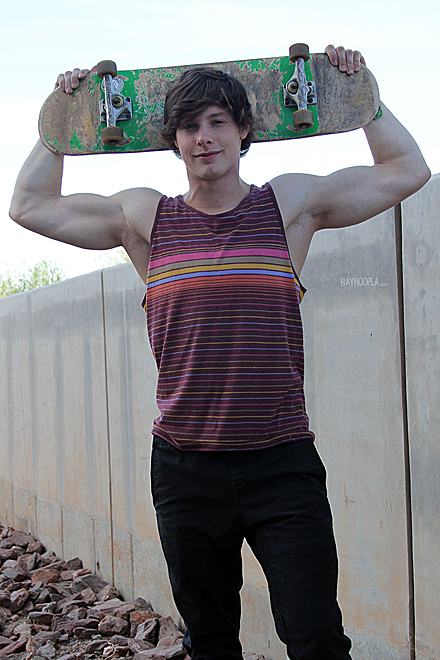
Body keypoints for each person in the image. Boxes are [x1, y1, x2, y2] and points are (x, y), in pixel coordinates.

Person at [9, 45, 430, 660]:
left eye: (217, 122)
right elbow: (28, 206)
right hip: (186, 469)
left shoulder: (288, 206)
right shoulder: (145, 218)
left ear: (243, 131)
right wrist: (60, 123)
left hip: (281, 463)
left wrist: (359, 95)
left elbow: (407, 170)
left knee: (316, 637)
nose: (204, 137)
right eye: (189, 126)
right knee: (211, 642)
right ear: (175, 141)